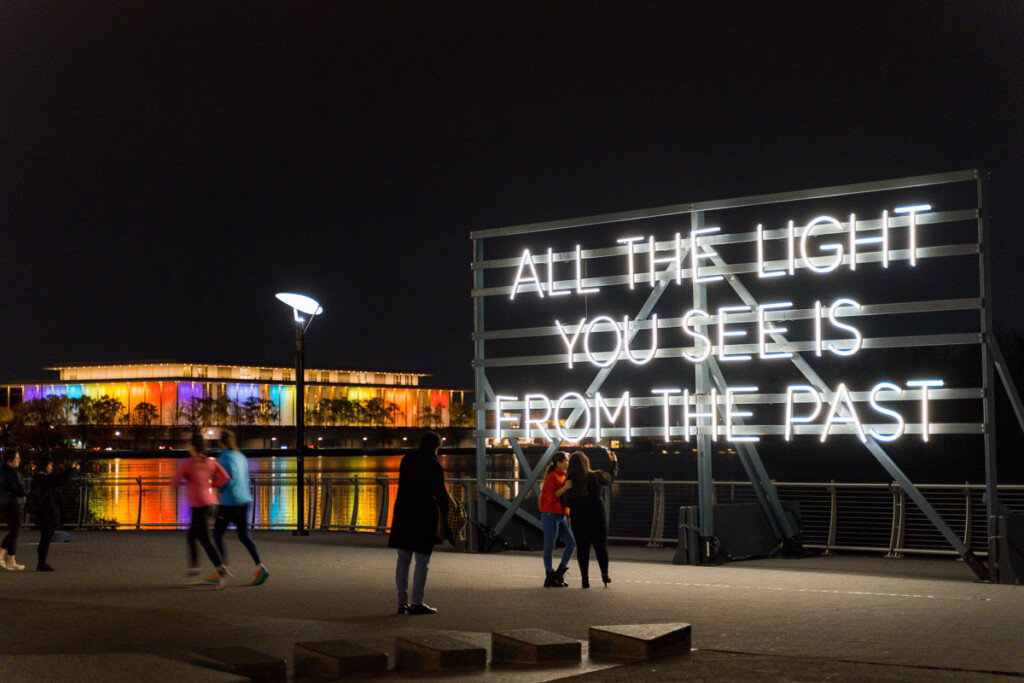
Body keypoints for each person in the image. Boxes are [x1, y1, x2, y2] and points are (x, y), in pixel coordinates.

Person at [388, 432, 449, 615]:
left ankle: (401, 602)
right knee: (422, 561)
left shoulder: (406, 460)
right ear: (436, 447)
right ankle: (417, 602)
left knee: (403, 559)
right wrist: (447, 517)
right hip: (423, 515)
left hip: (403, 513)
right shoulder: (434, 465)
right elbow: (441, 495)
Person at [173, 433, 231, 588]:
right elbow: (225, 477)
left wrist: (180, 480)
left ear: (192, 446)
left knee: (204, 540)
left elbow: (175, 482)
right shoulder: (209, 462)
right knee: (192, 535)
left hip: (200, 506)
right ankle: (194, 569)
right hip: (212, 504)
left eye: (188, 444)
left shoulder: (188, 463)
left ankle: (221, 570)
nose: (186, 446)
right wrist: (212, 485)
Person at [213, 430, 268, 586]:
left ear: (220, 442)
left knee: (217, 535)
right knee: (244, 535)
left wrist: (215, 485)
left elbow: (228, 479)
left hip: (230, 502)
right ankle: (260, 566)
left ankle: (222, 570)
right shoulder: (241, 456)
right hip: (244, 500)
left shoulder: (224, 456)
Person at [566, 448, 618, 588]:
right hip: (597, 515)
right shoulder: (596, 476)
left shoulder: (569, 482)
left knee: (582, 548)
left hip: (578, 516)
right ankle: (605, 576)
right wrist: (614, 463)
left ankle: (585, 579)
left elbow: (564, 502)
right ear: (586, 462)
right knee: (600, 546)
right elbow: (611, 477)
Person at [29, 456, 80, 571]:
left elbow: (57, 480)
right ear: (45, 466)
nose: (52, 468)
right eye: (50, 465)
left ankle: (41, 563)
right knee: (45, 539)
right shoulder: (43, 479)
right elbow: (60, 480)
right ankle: (41, 564)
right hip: (47, 513)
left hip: (44, 512)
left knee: (45, 539)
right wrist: (73, 470)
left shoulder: (39, 478)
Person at [539, 451, 576, 587]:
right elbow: (551, 496)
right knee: (549, 547)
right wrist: (565, 487)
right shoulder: (552, 477)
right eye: (566, 461)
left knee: (571, 544)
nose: (567, 463)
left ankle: (559, 573)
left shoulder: (562, 476)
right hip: (550, 514)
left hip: (560, 514)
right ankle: (550, 576)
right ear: (559, 463)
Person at [0, 450, 28, 570]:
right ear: (11, 459)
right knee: (15, 530)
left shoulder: (2, 470)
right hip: (14, 503)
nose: (19, 460)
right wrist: (27, 493)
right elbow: (18, 489)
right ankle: (11, 560)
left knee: (13, 530)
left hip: (4, 503)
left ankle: (2, 556)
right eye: (17, 458)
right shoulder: (12, 472)